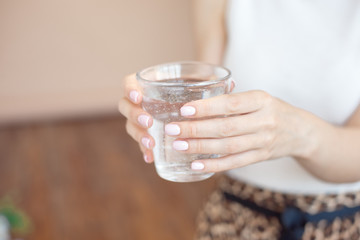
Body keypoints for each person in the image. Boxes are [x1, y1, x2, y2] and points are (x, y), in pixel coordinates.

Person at [118, 0, 360, 239]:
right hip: (237, 215)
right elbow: (206, 86)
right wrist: (158, 109)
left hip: (343, 221)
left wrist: (299, 133)